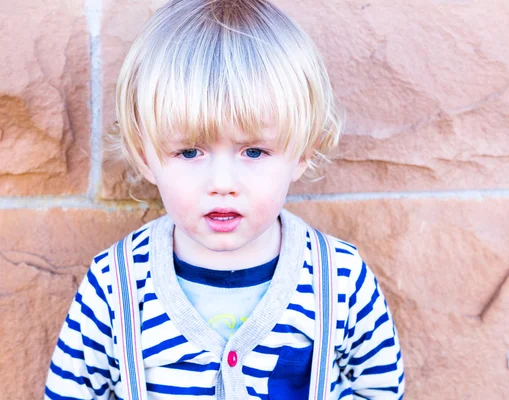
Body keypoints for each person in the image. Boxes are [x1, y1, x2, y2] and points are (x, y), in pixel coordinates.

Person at [44, 0, 405, 398]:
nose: (221, 183)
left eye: (253, 152)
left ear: (302, 152)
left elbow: (380, 387)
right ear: (146, 157)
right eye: (189, 152)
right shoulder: (116, 283)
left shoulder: (339, 278)